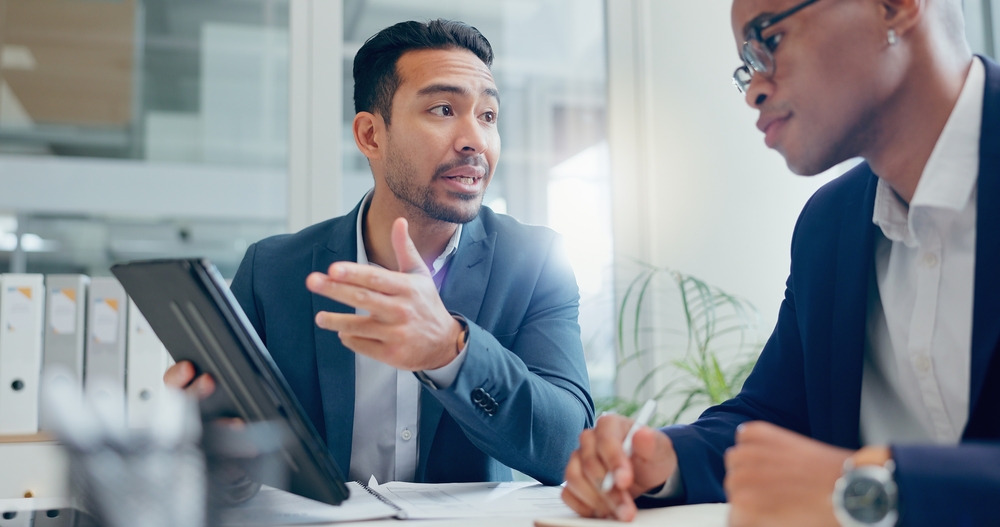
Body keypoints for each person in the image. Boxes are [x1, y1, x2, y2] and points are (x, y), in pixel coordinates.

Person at [562, 0, 999, 525]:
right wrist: (664, 459)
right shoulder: (829, 224)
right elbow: (775, 414)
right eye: (746, 65)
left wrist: (877, 484)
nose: (754, 90)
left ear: (895, 8)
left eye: (767, 40)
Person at [165, 19, 595, 486]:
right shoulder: (271, 272)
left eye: (488, 116)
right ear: (371, 135)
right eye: (444, 109)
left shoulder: (534, 263)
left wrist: (452, 352)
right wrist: (215, 442)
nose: (475, 140)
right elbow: (233, 467)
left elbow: (570, 450)